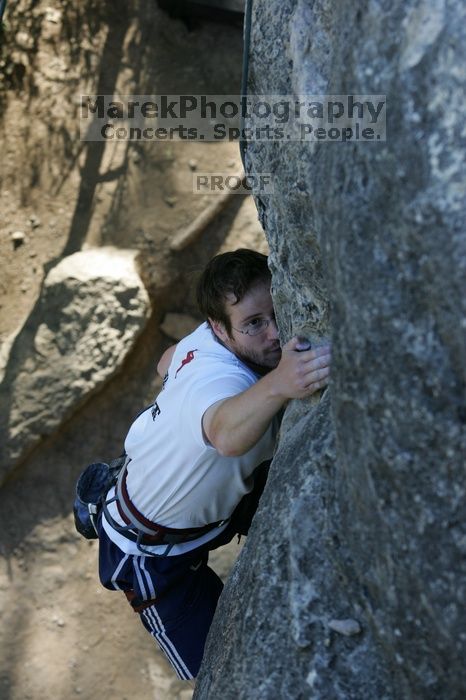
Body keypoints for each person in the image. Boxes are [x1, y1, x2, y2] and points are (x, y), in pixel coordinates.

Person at [97, 248, 331, 681]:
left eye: (275, 310)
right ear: (221, 330)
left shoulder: (204, 342)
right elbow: (224, 434)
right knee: (215, 672)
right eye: (254, 324)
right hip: (151, 556)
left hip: (185, 513)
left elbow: (167, 360)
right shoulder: (222, 381)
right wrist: (281, 382)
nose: (276, 333)